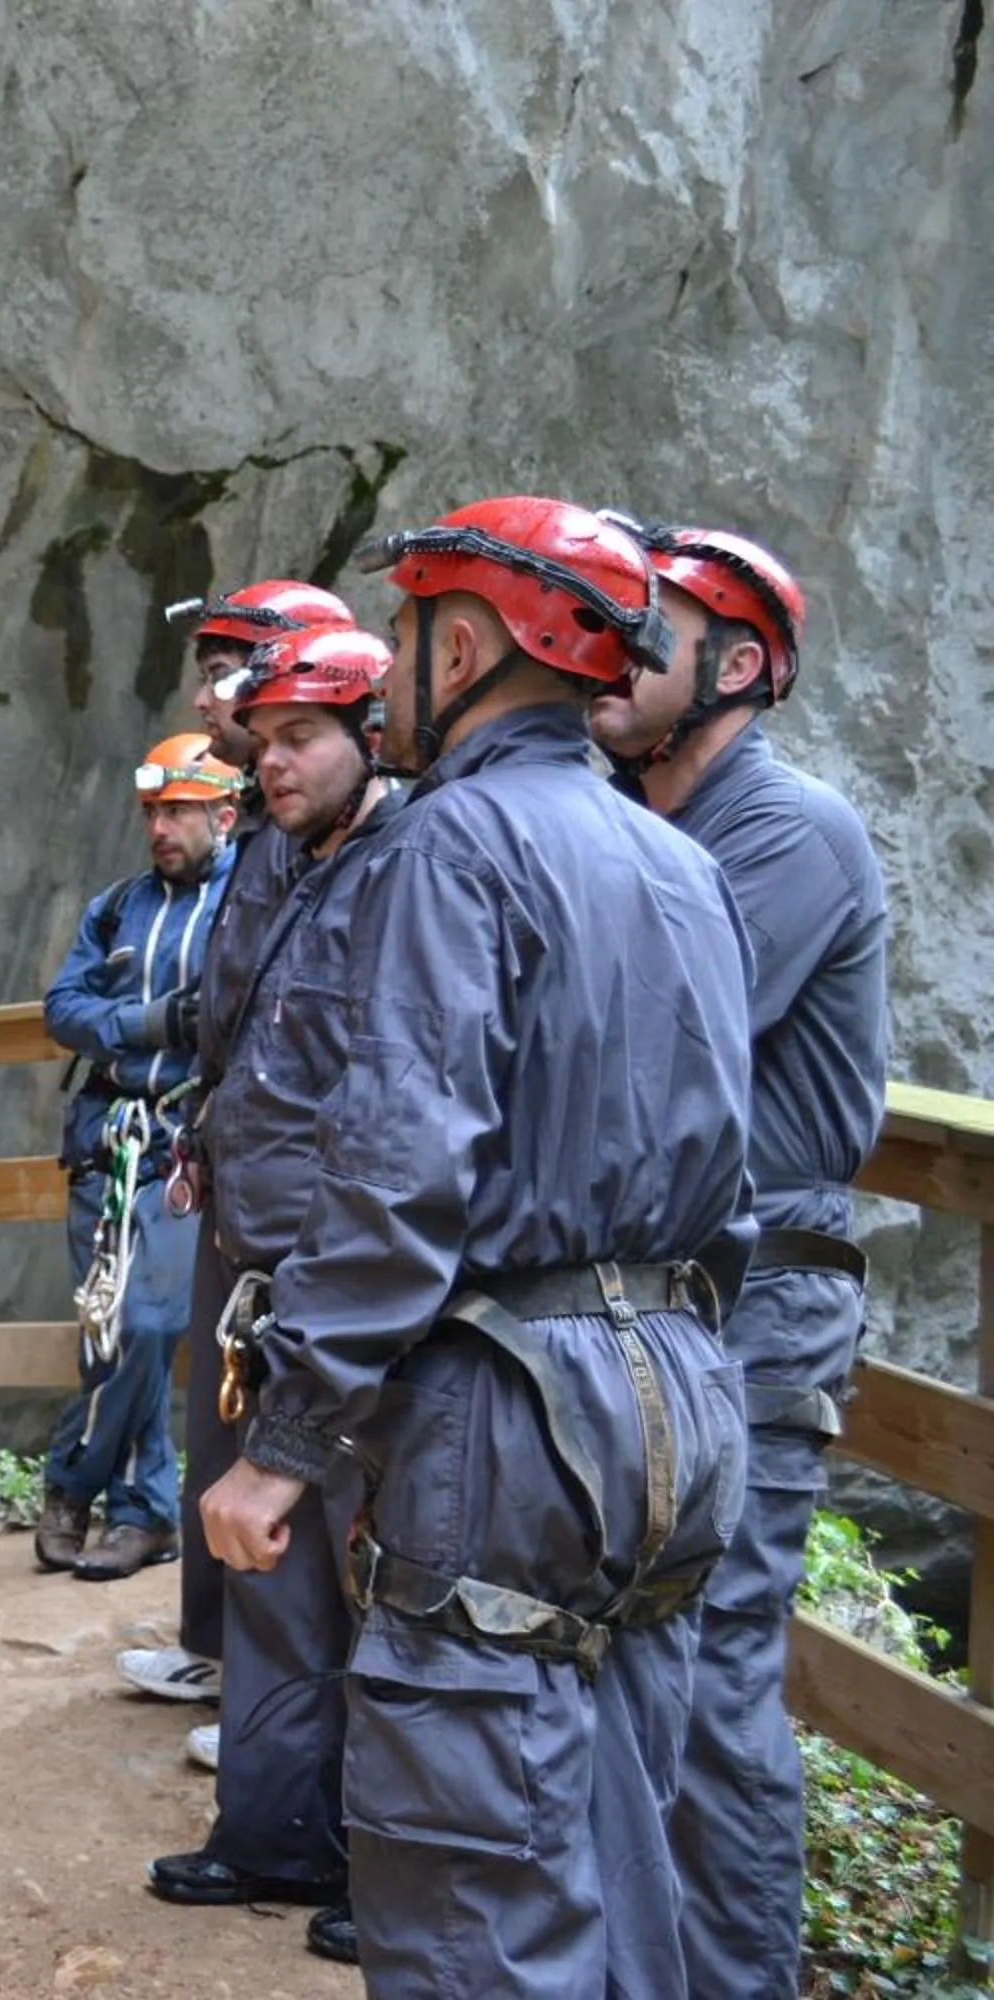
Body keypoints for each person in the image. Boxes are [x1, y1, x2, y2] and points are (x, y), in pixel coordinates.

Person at [199, 496, 755, 1995]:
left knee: (470, 1877)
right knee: (620, 1826)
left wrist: (289, 1438)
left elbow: (400, 1167)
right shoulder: (677, 865)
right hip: (681, 1395)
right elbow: (732, 1180)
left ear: (464, 642)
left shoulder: (456, 846)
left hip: (508, 1414)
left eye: (399, 641)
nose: (381, 678)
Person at [589, 515, 890, 1998]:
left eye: (654, 628)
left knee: (713, 1685)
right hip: (668, 1293)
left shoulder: (790, 834)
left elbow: (645, 1027)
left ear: (743, 665)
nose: (619, 649)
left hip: (765, 1292)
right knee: (642, 1659)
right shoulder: (655, 829)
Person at [142, 622, 401, 1964]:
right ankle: (273, 1831)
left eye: (305, 737)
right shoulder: (281, 860)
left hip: (344, 1265)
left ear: (372, 737)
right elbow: (248, 1042)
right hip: (257, 1245)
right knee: (273, 1569)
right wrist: (203, 1141)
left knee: (367, 1566)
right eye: (270, 733)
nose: (275, 752)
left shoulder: (401, 866)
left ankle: (379, 1858)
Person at [122, 579, 355, 1713]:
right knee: (221, 1430)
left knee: (290, 1442)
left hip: (307, 1197)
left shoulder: (330, 829)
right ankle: (233, 1669)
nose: (212, 692)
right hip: (238, 1170)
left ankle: (275, 1703)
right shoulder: (267, 829)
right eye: (206, 669)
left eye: (233, 665)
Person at [35, 734, 240, 1581]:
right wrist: (149, 1024)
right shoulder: (116, 908)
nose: (162, 826)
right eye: (155, 811)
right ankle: (144, 1511)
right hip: (105, 1138)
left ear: (225, 815)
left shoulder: (249, 904)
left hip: (185, 1144)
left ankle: (75, 1484)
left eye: (181, 811)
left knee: (148, 1323)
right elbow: (63, 1006)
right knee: (106, 1328)